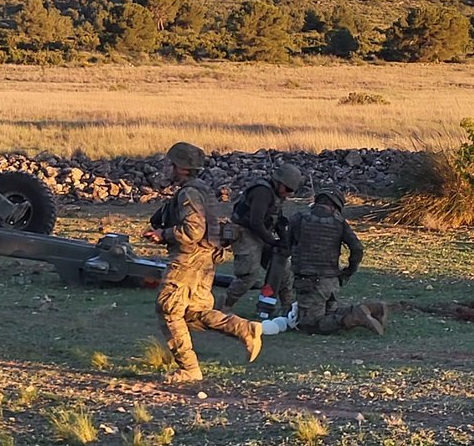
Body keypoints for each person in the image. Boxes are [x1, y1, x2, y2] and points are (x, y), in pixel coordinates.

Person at [144, 142, 263, 383]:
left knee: (168, 309)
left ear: (182, 168)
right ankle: (243, 329)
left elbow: (193, 231)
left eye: (171, 164)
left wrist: (163, 235)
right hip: (204, 260)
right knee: (194, 312)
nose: (167, 168)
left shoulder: (189, 193)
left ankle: (189, 369)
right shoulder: (200, 190)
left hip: (188, 260)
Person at [288, 189, 386, 335]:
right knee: (329, 313)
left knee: (309, 324)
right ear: (336, 206)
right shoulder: (339, 222)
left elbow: (287, 244)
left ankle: (355, 317)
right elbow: (357, 248)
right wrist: (348, 271)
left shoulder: (299, 218)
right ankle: (373, 308)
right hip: (331, 282)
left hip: (309, 281)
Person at [223, 163, 305, 312]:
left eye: (291, 191)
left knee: (284, 270)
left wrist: (284, 241)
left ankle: (287, 308)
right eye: (287, 189)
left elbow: (276, 218)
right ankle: (224, 306)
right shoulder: (262, 192)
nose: (288, 194)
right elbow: (255, 221)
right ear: (279, 182)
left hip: (262, 233)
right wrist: (272, 242)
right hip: (246, 233)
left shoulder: (277, 194)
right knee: (249, 274)